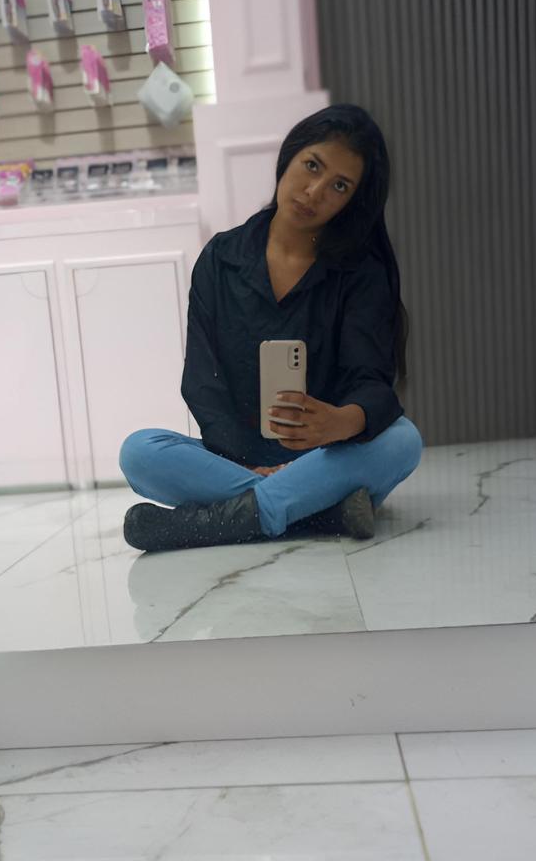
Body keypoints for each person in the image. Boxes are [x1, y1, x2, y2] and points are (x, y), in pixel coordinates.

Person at [119, 104, 423, 553]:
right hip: (236, 458)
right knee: (139, 452)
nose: (315, 191)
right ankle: (322, 511)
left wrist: (339, 421)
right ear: (290, 156)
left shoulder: (361, 272)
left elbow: (371, 382)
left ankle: (232, 519)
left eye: (339, 186)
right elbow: (203, 382)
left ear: (352, 201)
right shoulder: (220, 258)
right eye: (312, 166)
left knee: (403, 440)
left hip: (326, 456)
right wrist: (245, 464)